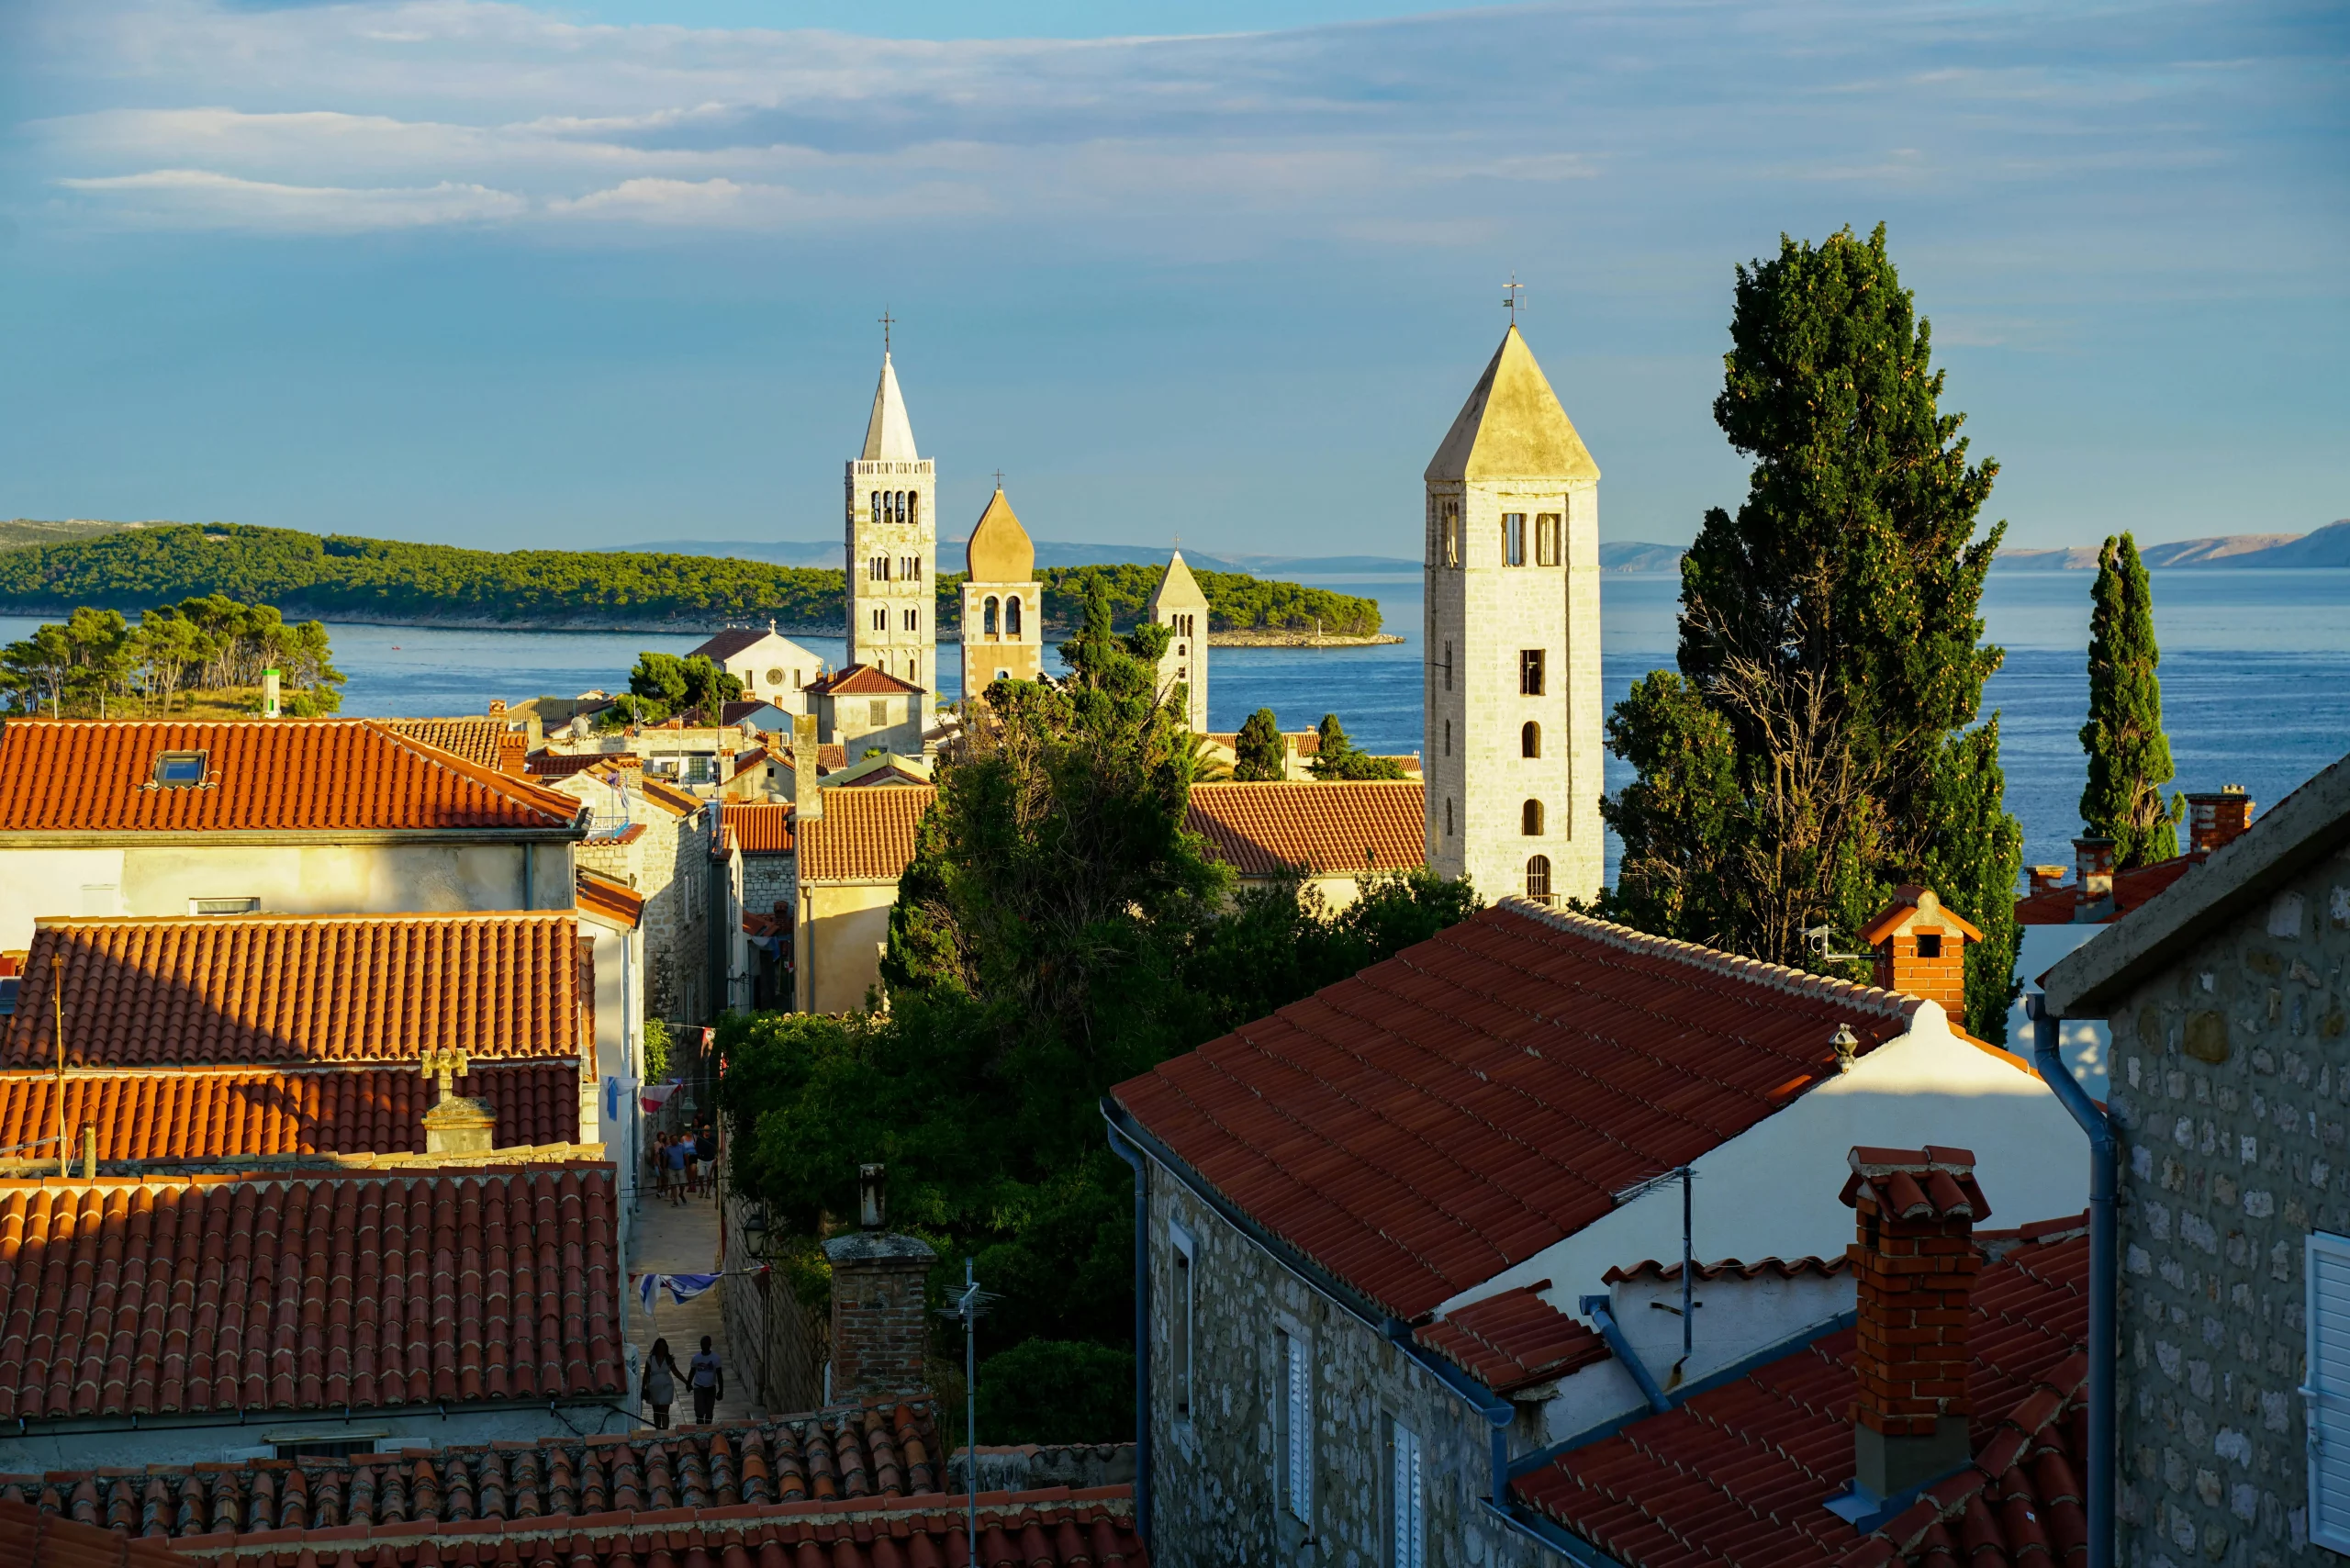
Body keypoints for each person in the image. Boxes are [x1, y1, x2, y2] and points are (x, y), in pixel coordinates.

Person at [643, 1337, 679, 1429]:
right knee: (656, 1411)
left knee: (665, 1411)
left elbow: (675, 1372)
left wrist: (686, 1382)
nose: (661, 1349)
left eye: (663, 1347)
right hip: (654, 1389)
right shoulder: (650, 1359)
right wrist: (643, 1387)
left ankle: (666, 1431)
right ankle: (658, 1430)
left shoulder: (668, 1359)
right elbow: (646, 1374)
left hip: (667, 1388)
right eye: (660, 1347)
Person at [689, 1335, 722, 1425]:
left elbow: (719, 1375)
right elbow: (692, 1372)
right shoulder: (696, 1358)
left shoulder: (716, 1358)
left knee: (709, 1412)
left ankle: (707, 1431)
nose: (703, 1346)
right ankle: (700, 1430)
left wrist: (721, 1391)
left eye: (705, 1344)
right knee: (699, 1413)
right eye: (702, 1344)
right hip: (699, 1387)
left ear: (710, 1344)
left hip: (711, 1388)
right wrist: (688, 1384)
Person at [666, 1135, 690, 1205]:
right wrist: (664, 1168)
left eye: (676, 1139)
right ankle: (675, 1201)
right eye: (674, 1139)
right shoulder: (668, 1148)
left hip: (681, 1168)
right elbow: (665, 1158)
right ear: (671, 1140)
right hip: (671, 1169)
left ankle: (681, 1194)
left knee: (682, 1184)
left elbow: (686, 1156)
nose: (675, 1140)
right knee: (673, 1185)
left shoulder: (682, 1146)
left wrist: (687, 1166)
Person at [695, 1123, 718, 1199]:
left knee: (709, 1177)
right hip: (701, 1159)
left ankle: (707, 1191)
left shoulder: (713, 1139)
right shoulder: (700, 1138)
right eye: (706, 1130)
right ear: (703, 1131)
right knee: (700, 1175)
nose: (707, 1131)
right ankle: (702, 1189)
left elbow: (716, 1148)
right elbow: (697, 1147)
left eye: (708, 1130)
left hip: (710, 1159)